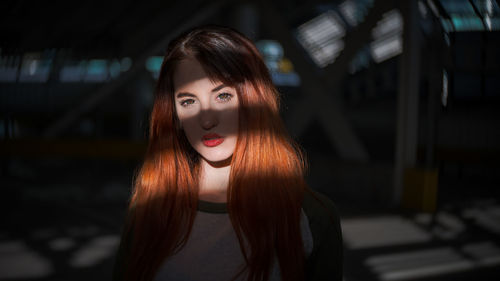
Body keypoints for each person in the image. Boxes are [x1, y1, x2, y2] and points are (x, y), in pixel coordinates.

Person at [113, 25, 342, 281]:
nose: (207, 119)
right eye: (188, 101)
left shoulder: (311, 218)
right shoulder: (149, 209)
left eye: (223, 96)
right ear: (175, 116)